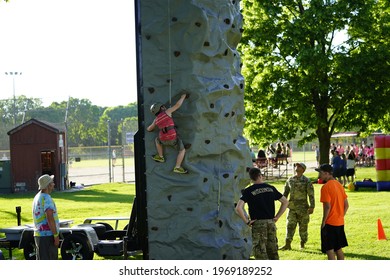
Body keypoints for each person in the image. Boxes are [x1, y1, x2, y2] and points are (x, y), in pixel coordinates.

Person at [235, 167, 288, 260]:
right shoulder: (271, 188)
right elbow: (285, 202)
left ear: (251, 178)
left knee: (260, 251)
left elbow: (238, 208)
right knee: (273, 250)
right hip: (271, 222)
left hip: (257, 223)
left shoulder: (248, 191)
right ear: (260, 176)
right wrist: (277, 217)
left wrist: (247, 222)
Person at [147, 92, 189, 174]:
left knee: (157, 140)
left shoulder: (156, 119)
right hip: (172, 137)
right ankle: (177, 167)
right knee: (182, 150)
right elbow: (177, 105)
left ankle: (160, 156)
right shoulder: (167, 112)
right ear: (162, 108)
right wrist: (183, 97)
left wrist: (150, 127)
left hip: (162, 139)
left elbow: (149, 129)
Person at [315, 164, 349, 260]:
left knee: (329, 249)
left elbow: (327, 206)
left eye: (320, 173)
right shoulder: (339, 185)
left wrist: (324, 221)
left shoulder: (325, 187)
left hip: (330, 223)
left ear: (327, 173)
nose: (319, 176)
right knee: (338, 249)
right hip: (339, 222)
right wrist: (340, 216)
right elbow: (346, 205)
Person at [280, 162, 315, 250]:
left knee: (303, 227)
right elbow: (285, 193)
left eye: (299, 166)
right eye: (296, 165)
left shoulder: (307, 181)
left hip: (303, 208)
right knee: (290, 225)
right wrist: (283, 202)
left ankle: (302, 243)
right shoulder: (290, 180)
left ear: (303, 169)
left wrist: (312, 206)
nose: (297, 167)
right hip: (292, 208)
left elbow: (311, 194)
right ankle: (287, 244)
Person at [32, 174, 60, 260]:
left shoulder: (37, 197)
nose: (54, 184)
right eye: (52, 182)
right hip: (47, 236)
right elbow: (49, 217)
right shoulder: (47, 198)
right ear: (48, 185)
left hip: (38, 235)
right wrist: (56, 235)